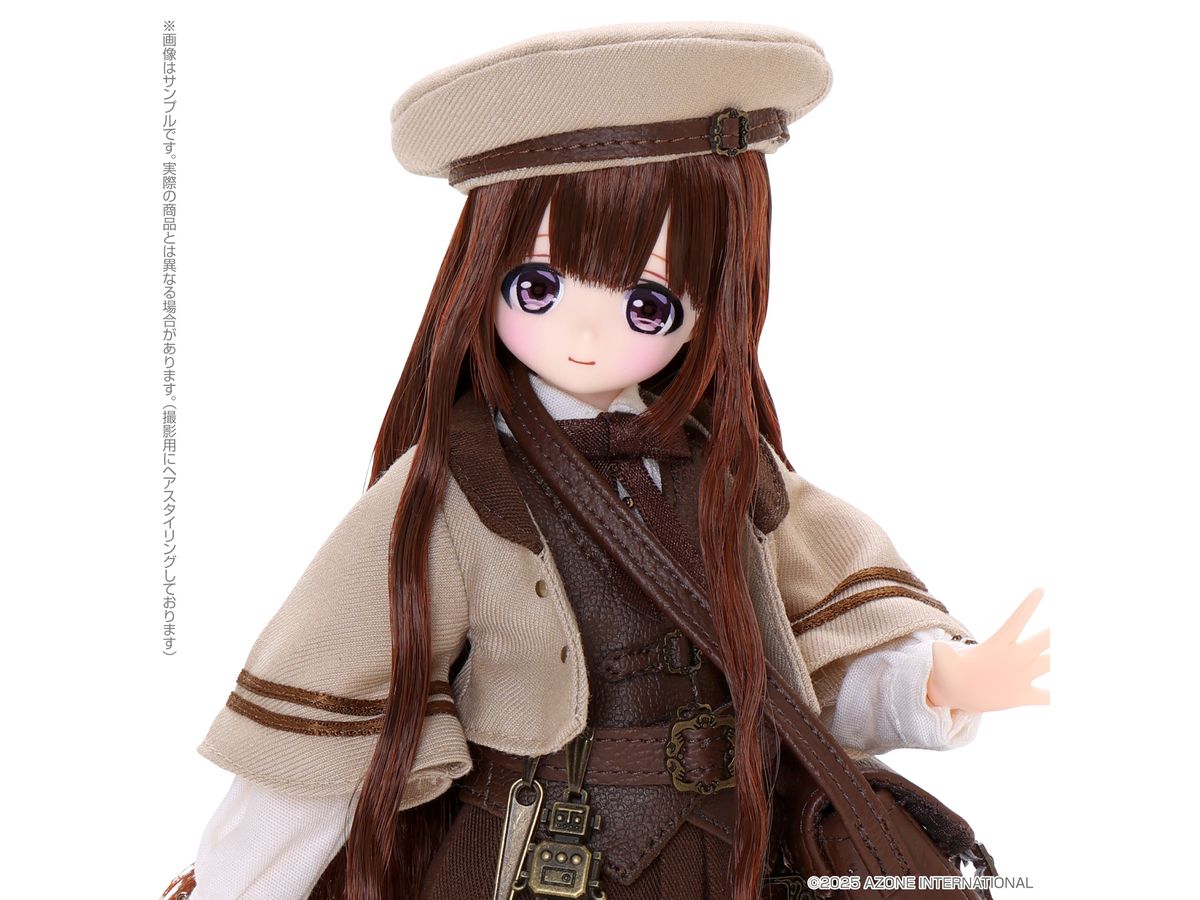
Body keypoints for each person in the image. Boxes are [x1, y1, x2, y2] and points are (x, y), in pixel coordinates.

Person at [167, 22, 1049, 900]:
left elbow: (810, 662)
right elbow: (326, 731)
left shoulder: (731, 475)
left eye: (648, 301)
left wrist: (934, 683)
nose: (585, 335)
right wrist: (239, 884)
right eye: (540, 286)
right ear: (481, 274)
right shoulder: (458, 486)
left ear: (715, 303)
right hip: (540, 859)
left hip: (730, 853)